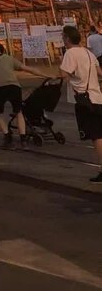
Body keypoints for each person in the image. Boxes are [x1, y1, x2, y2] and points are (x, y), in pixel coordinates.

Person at [59, 25, 102, 182]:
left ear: (68, 38)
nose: (62, 40)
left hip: (85, 100)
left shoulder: (70, 53)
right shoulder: (88, 53)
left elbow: (64, 74)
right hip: (97, 97)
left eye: (63, 37)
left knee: (96, 136)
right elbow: (99, 72)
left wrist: (71, 81)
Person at [0, 42, 40, 146]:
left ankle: (7, 135)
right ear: (3, 50)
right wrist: (47, 75)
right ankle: (23, 138)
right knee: (18, 112)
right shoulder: (9, 58)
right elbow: (28, 69)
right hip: (14, 87)